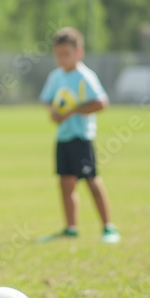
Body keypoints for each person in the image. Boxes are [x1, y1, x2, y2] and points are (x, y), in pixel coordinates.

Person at [38, 28, 119, 244]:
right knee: (65, 183)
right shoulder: (55, 76)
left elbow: (102, 103)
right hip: (63, 137)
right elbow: (47, 99)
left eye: (66, 54)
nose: (62, 59)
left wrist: (73, 111)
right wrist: (54, 113)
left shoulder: (85, 76)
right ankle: (70, 228)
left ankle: (108, 228)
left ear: (78, 52)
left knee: (92, 182)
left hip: (81, 137)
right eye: (58, 54)